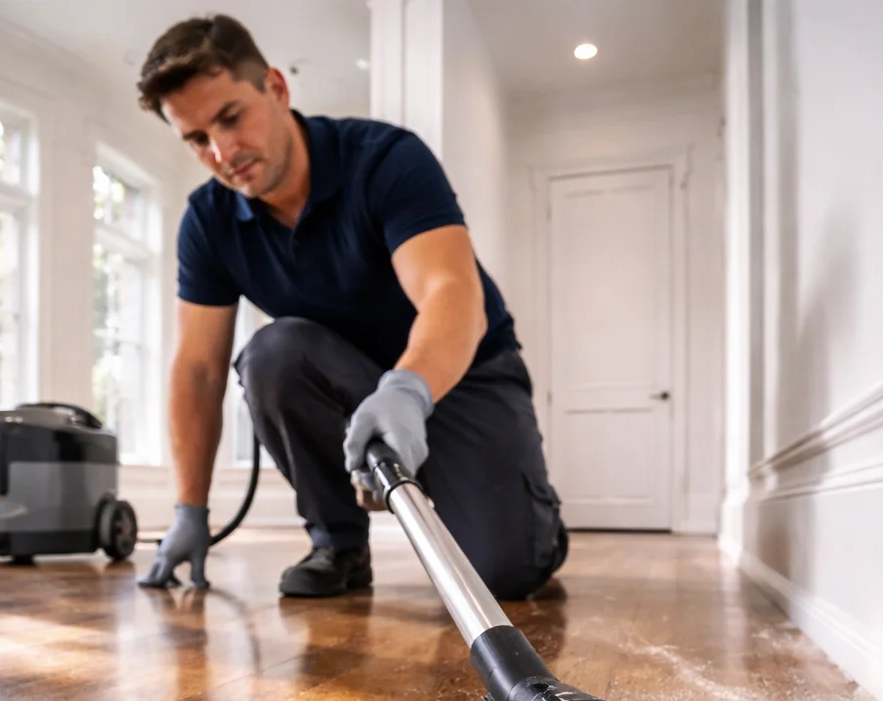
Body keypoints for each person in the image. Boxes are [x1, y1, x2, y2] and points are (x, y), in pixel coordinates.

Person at [135, 14, 567, 599]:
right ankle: (338, 541)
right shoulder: (209, 222)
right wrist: (190, 508)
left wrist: (410, 390)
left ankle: (533, 526)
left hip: (465, 373)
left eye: (231, 117)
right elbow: (199, 368)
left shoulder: (384, 160)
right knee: (272, 354)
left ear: (277, 89)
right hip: (350, 377)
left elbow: (451, 293)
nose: (222, 151)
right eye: (196, 139)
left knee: (505, 574)